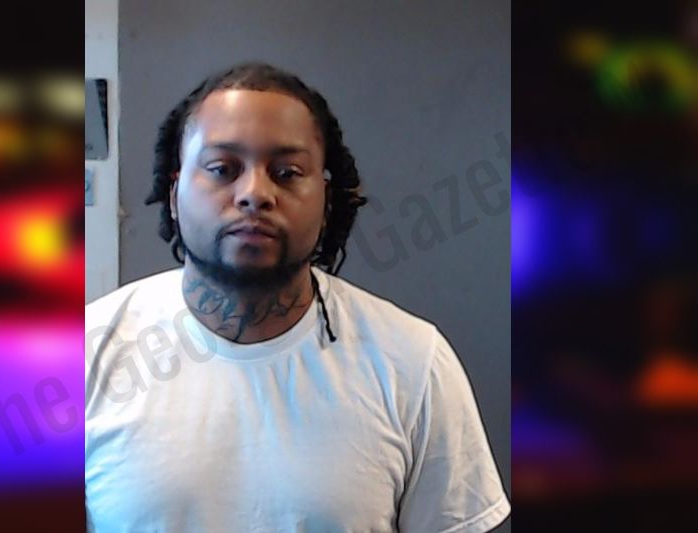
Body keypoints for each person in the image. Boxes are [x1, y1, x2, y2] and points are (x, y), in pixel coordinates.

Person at [85, 63, 510, 532]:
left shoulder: (413, 362)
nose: (254, 193)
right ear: (174, 192)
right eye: (222, 169)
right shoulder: (86, 351)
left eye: (287, 173)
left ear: (326, 200)